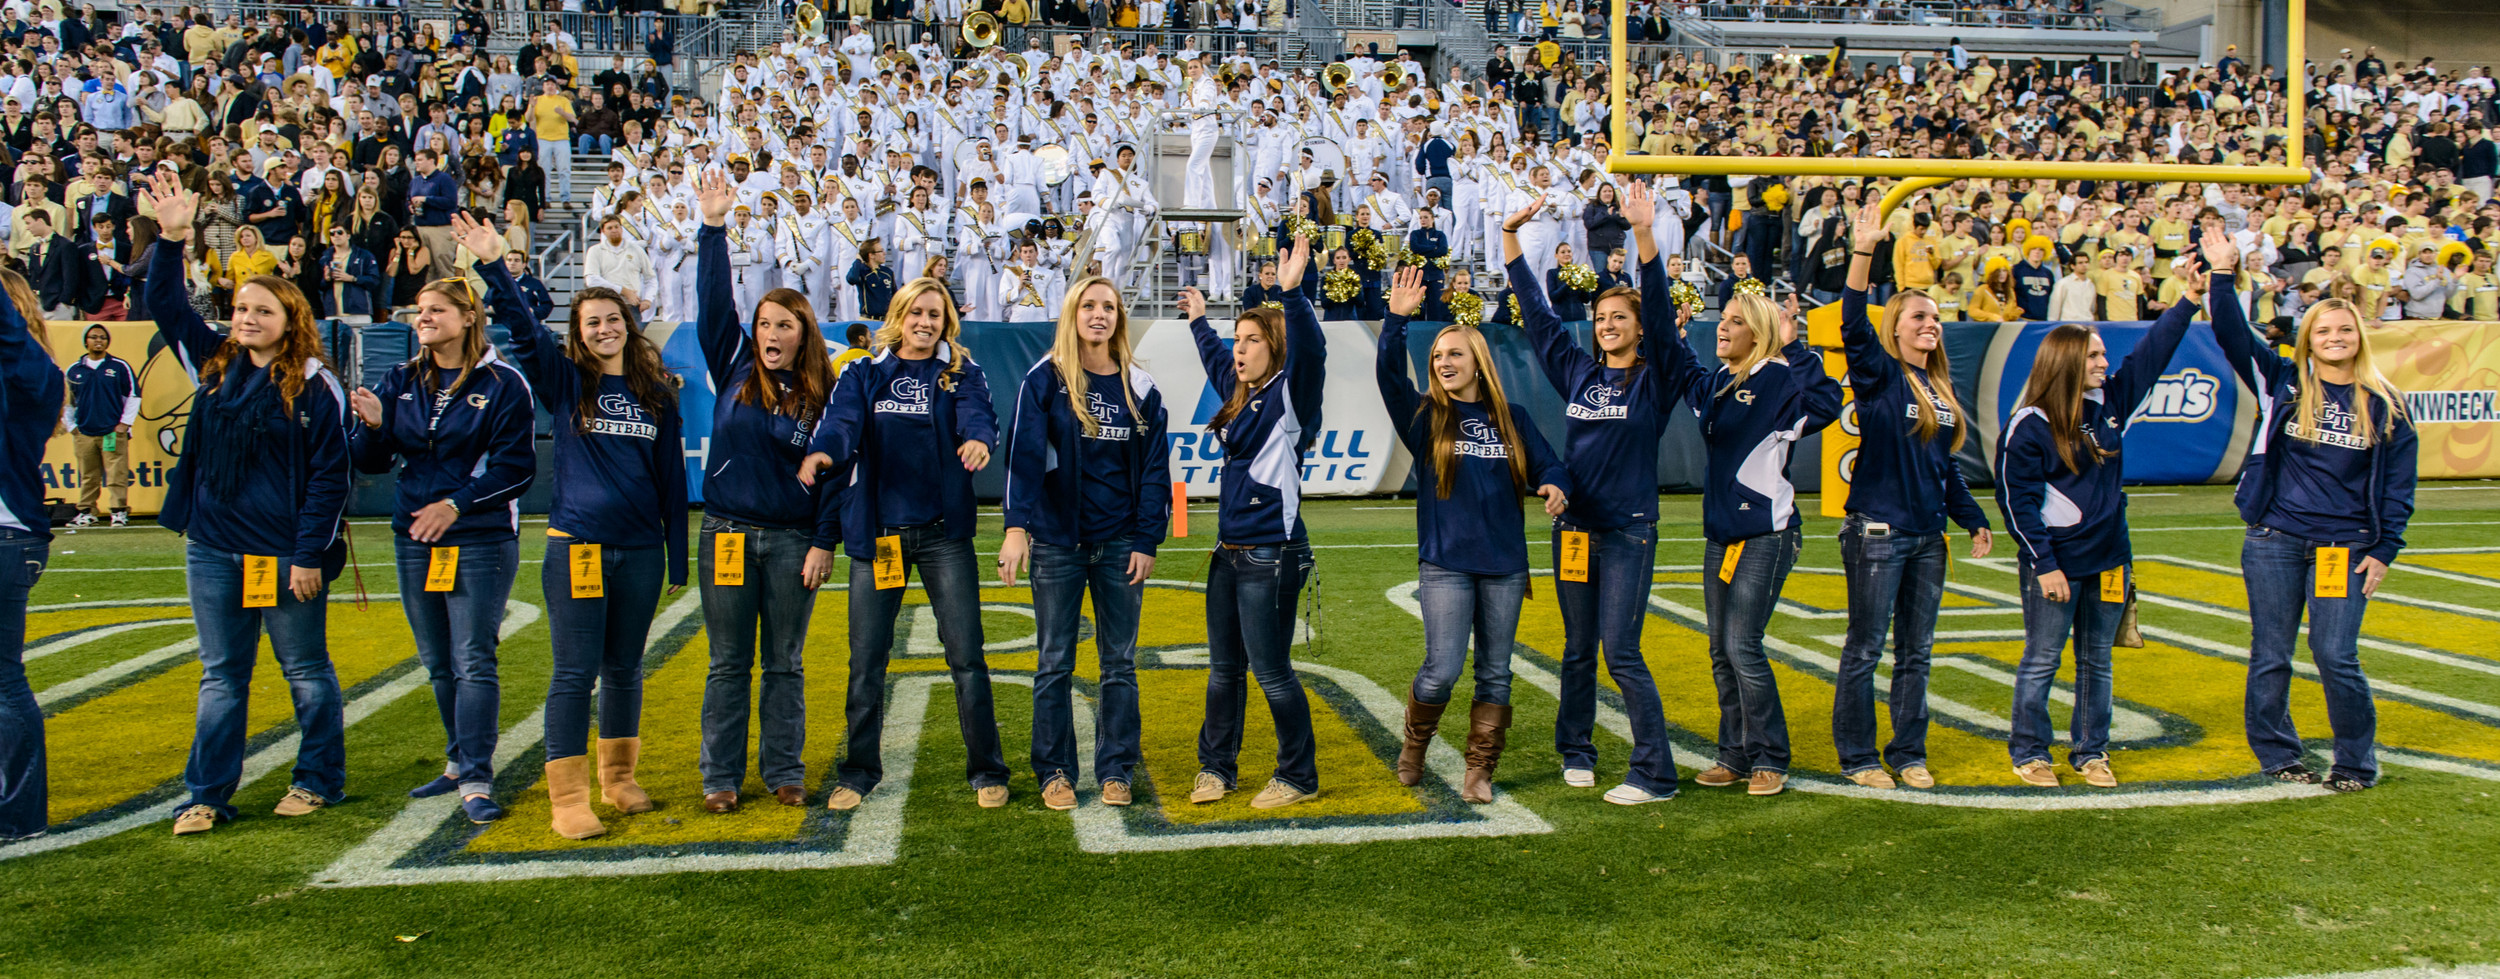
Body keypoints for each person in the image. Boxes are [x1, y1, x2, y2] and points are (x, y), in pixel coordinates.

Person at [457, 210, 686, 839]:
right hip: (578, 547)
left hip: (640, 551)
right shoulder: (565, 382)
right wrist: (493, 266)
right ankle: (568, 796)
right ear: (579, 334)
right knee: (573, 671)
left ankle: (619, 778)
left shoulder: (658, 392)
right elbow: (525, 334)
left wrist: (676, 553)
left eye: (614, 319)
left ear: (627, 325)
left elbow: (672, 480)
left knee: (626, 668)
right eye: (593, 323)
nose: (606, 329)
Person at [141, 177, 352, 837]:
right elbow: (166, 305)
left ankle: (316, 779)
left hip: (285, 553)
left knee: (306, 671)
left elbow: (329, 476)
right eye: (241, 308)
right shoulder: (214, 363)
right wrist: (172, 237)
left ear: (291, 319)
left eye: (262, 310)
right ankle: (206, 793)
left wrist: (308, 553)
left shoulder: (317, 384)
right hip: (212, 547)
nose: (246, 318)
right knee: (222, 676)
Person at [2207, 225, 2416, 793]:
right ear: (2307, 339)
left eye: (2344, 328)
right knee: (2271, 654)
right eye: (2322, 329)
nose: (2334, 337)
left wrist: (2384, 550)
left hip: (2341, 549)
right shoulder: (2283, 381)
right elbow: (2230, 333)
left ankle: (2355, 762)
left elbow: (2399, 487)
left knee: (2335, 656)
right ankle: (2278, 753)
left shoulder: (2387, 403)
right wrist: (2223, 275)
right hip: (2274, 540)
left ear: (2360, 335)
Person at [1996, 248, 2209, 790]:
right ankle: (2030, 752)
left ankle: (2091, 751)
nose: (2103, 362)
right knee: (2043, 659)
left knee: (2097, 661)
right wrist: (2043, 564)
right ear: (2067, 361)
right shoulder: (2030, 423)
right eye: (2092, 355)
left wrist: (2188, 298)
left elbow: (2152, 354)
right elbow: (2016, 503)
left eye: (2101, 353)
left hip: (2111, 558)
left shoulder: (2109, 404)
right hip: (2058, 565)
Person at [801, 276, 1012, 812]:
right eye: (916, 312)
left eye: (935, 315)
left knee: (967, 657)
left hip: (944, 537)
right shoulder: (864, 370)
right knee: (867, 660)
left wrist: (977, 441)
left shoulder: (962, 371)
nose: (925, 323)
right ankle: (859, 770)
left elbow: (979, 416)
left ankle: (987, 769)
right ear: (899, 315)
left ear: (947, 322)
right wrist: (826, 453)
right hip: (880, 538)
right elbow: (841, 422)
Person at [347, 257, 538, 826]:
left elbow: (516, 469)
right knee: (436, 662)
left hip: (477, 537)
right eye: (420, 311)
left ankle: (477, 774)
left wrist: (455, 503)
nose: (423, 318)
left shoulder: (504, 382)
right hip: (414, 537)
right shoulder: (401, 378)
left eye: (436, 310)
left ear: (467, 317)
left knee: (472, 659)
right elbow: (372, 464)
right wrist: (375, 427)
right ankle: (457, 762)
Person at [1508, 193, 1682, 805]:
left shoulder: (1656, 379)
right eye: (1603, 317)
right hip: (1575, 532)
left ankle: (1656, 773)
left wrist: (1643, 239)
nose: (1608, 325)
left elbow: (1661, 313)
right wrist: (1511, 241)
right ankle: (1576, 749)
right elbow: (1538, 316)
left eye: (1620, 318)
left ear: (1638, 329)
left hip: (1629, 532)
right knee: (1578, 648)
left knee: (1623, 652)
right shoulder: (1581, 372)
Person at [1377, 263, 1569, 804]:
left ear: (1479, 360)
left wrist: (1554, 486)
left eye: (1454, 353)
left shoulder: (1514, 418)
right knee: (1441, 670)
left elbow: (1549, 467)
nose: (1443, 363)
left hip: (1505, 565)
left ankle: (1478, 770)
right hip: (1446, 564)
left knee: (1496, 674)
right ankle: (1415, 745)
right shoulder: (1424, 418)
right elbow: (1390, 376)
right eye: (1437, 356)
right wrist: (1396, 320)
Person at [688, 171, 841, 814]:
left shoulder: (826, 392)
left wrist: (822, 543)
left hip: (791, 543)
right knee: (728, 663)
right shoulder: (732, 363)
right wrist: (713, 229)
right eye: (763, 324)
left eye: (784, 325)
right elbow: (713, 306)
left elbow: (838, 472)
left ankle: (784, 770)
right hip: (725, 532)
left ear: (803, 332)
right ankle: (719, 778)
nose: (771, 334)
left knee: (784, 662)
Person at [1657, 277, 1843, 795]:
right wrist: (1676, 338)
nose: (1724, 326)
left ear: (1759, 333)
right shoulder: (1720, 379)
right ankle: (1734, 754)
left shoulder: (1780, 378)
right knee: (1721, 649)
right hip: (1721, 535)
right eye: (1724, 318)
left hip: (1767, 532)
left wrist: (1794, 345)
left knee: (1742, 645)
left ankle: (1770, 758)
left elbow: (1826, 401)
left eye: (1737, 321)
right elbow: (1691, 379)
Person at [1835, 199, 1995, 790]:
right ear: (1896, 326)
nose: (1930, 324)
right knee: (1865, 649)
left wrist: (1972, 516)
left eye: (1934, 318)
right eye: (1918, 317)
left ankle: (1908, 752)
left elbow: (1942, 467)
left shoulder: (1939, 385)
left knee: (1917, 652)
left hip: (1929, 536)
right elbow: (1852, 319)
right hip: (1878, 529)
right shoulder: (1879, 372)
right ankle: (1857, 756)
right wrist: (1864, 250)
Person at [997, 276, 1171, 810]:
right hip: (1057, 543)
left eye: (1110, 307)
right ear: (1072, 314)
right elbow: (1023, 459)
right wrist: (1015, 527)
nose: (1100, 315)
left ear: (1119, 317)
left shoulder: (1140, 386)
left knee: (1119, 661)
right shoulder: (1045, 379)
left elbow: (1155, 474)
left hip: (1120, 544)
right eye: (1089, 306)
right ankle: (1054, 771)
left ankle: (1116, 769)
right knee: (1054, 661)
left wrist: (1146, 538)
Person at [1179, 224, 1325, 810]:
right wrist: (1197, 321)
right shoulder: (1240, 393)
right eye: (1237, 338)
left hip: (1272, 553)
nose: (1238, 348)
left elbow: (1311, 352)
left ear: (1275, 348)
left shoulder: (1291, 394)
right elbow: (1218, 361)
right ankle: (1217, 768)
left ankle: (1298, 775)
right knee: (1223, 671)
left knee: (1271, 672)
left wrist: (1291, 294)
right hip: (1228, 552)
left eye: (1251, 340)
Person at [0, 270, 60, 841]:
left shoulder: (30, 371)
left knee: (2, 680)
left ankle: (17, 814)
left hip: (5, 532)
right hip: (13, 535)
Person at [62, 324, 137, 527]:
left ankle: (118, 512)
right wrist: (72, 427)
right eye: (94, 337)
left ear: (107, 342)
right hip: (85, 432)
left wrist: (124, 424)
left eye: (103, 337)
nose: (98, 340)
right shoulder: (74, 370)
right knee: (88, 475)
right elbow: (67, 401)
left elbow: (133, 395)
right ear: (86, 341)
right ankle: (87, 512)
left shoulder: (119, 367)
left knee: (117, 474)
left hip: (112, 432)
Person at [846, 237, 896, 323]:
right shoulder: (862, 272)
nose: (884, 253)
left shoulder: (887, 272)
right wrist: (858, 260)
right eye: (880, 251)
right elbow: (851, 279)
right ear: (871, 255)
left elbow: (895, 294)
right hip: (868, 320)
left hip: (886, 320)